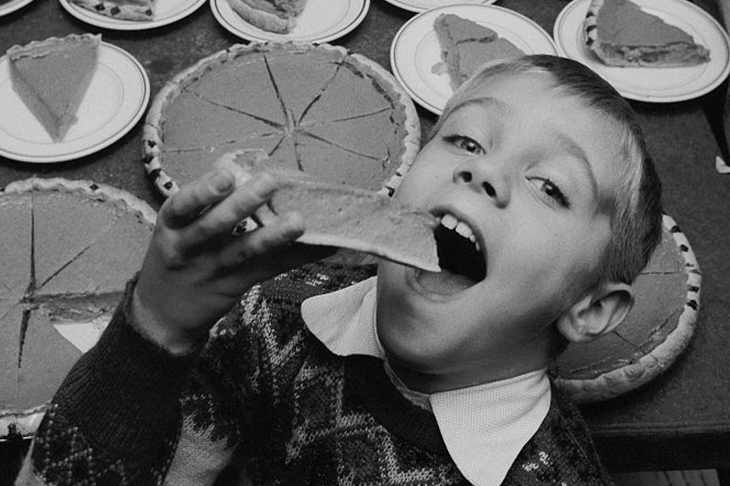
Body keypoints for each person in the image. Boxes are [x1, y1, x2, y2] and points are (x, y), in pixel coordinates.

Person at [16, 54, 662, 486]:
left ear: (591, 309)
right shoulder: (271, 315)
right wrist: (155, 329)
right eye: (466, 140)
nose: (483, 171)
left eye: (550, 186)